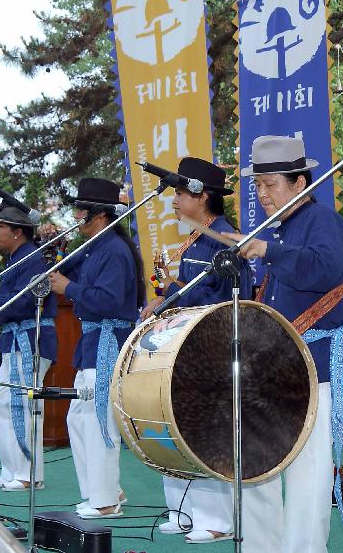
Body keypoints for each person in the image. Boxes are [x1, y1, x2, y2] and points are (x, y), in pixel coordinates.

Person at [224, 135, 343, 553]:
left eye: (271, 184)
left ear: (300, 182)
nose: (263, 194)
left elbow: (327, 269)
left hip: (315, 361)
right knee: (261, 462)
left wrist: (269, 249)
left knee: (308, 471)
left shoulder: (323, 222)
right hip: (279, 361)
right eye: (258, 186)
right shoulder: (280, 229)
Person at [140, 157, 252, 545]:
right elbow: (186, 293)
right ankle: (185, 512)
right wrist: (165, 298)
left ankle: (219, 519)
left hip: (215, 346)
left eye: (180, 193)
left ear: (202, 197)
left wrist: (170, 293)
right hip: (189, 346)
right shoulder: (195, 238)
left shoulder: (226, 240)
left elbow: (221, 298)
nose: (173, 200)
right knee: (181, 424)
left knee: (209, 430)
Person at [47, 178, 144, 519]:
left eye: (80, 211)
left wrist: (69, 288)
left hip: (107, 342)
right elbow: (61, 271)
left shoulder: (114, 250)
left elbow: (109, 299)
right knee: (79, 418)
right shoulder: (93, 247)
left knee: (98, 419)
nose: (75, 216)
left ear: (98, 216)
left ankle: (105, 501)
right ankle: (100, 491)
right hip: (91, 345)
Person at [0, 206, 57, 492]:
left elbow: (22, 303)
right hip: (15, 339)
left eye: (1, 226)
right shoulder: (15, 260)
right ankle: (12, 468)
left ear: (18, 232)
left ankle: (28, 472)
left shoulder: (31, 258)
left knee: (23, 402)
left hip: (29, 338)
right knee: (1, 400)